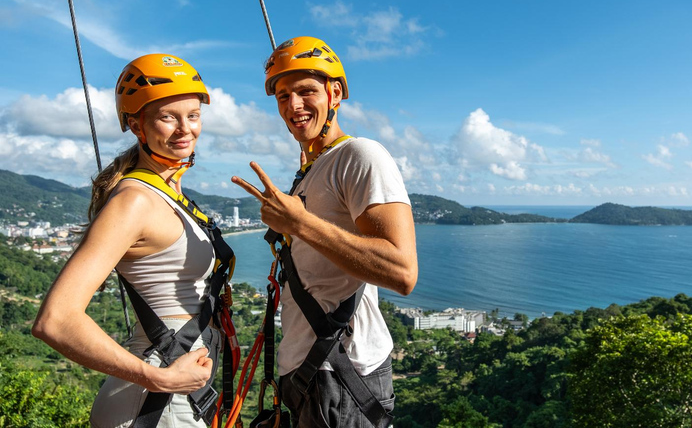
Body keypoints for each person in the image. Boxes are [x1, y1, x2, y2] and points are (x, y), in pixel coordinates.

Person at [232, 36, 418, 427]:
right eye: (283, 96)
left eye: (306, 91)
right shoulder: (314, 169)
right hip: (311, 373)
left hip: (344, 373)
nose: (293, 106)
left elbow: (402, 271)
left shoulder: (360, 155)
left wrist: (299, 224)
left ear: (335, 93)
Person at [33, 54, 223, 428]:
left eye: (193, 115)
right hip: (155, 399)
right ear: (137, 125)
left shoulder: (168, 195)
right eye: (168, 117)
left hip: (174, 395)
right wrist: (159, 378)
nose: (186, 128)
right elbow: (55, 320)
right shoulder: (135, 201)